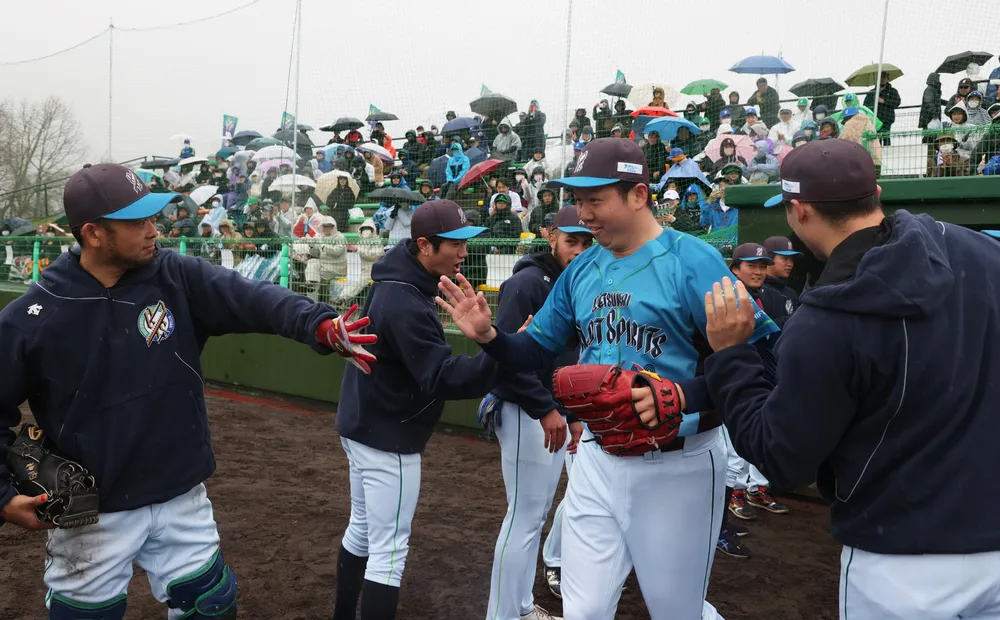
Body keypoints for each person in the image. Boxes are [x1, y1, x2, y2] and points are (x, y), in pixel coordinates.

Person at [0, 163, 375, 620]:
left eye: (153, 216)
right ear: (93, 234)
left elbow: (254, 297)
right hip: (94, 512)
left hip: (181, 495)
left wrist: (319, 325)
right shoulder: (34, 315)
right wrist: (3, 495)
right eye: (136, 222)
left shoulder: (175, 275)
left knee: (212, 607)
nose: (153, 230)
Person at [436, 138, 779, 620]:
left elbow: (762, 361)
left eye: (595, 199)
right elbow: (533, 350)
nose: (584, 213)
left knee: (676, 612)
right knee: (584, 611)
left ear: (638, 195)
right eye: (578, 200)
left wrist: (686, 394)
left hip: (677, 465)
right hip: (596, 459)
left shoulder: (693, 261)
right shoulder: (581, 270)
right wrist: (490, 336)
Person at [709, 138, 1000, 619]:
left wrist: (731, 355)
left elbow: (781, 459)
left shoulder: (823, 320)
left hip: (899, 559)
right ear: (876, 193)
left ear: (798, 211)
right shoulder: (982, 252)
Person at [333, 200, 501, 620]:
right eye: (455, 243)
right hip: (387, 436)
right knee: (388, 554)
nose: (463, 252)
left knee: (362, 532)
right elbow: (441, 376)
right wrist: (500, 352)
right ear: (425, 245)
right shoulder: (403, 298)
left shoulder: (400, 279)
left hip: (363, 422)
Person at [483, 206, 593, 620]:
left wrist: (573, 413)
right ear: (551, 237)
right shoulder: (526, 282)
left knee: (535, 516)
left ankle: (521, 606)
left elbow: (569, 355)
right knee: (523, 518)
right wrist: (546, 408)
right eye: (571, 241)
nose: (579, 250)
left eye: (587, 242)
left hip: (552, 411)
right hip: (523, 408)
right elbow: (508, 357)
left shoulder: (574, 282)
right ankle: (501, 614)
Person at [761, 235, 802, 329]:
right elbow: (762, 329)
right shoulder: (758, 291)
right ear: (769, 258)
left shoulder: (791, 292)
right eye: (785, 258)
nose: (790, 264)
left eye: (791, 259)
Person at [863, 71, 901, 145]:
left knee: (886, 137)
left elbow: (897, 102)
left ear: (887, 78)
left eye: (884, 77)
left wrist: (884, 101)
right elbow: (866, 105)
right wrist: (873, 104)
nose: (883, 79)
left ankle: (887, 151)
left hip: (887, 119)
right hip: (875, 119)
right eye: (881, 77)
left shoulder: (892, 91)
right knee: (877, 140)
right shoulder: (872, 92)